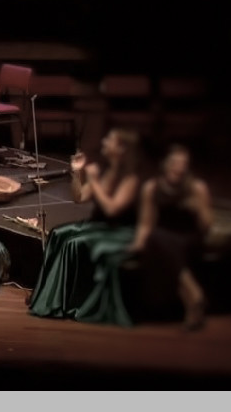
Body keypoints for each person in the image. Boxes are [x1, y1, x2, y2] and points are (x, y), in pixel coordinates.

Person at [28, 128, 142, 325]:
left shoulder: (130, 178)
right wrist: (77, 171)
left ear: (122, 149)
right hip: (100, 225)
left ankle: (64, 303)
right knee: (57, 233)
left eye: (110, 140)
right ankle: (45, 296)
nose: (105, 142)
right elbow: (79, 197)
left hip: (120, 230)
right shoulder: (107, 171)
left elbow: (112, 209)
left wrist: (95, 181)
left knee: (72, 244)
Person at [129, 145, 213, 330]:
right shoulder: (152, 188)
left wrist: (198, 209)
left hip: (189, 238)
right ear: (165, 164)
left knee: (158, 240)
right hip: (163, 239)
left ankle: (193, 295)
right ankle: (193, 304)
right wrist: (137, 243)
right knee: (157, 240)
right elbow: (145, 223)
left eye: (183, 163)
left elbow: (207, 226)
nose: (179, 167)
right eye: (175, 163)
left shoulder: (197, 188)